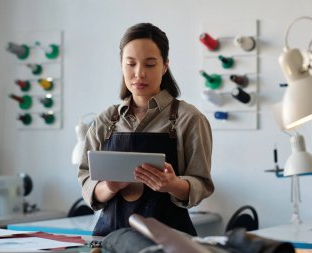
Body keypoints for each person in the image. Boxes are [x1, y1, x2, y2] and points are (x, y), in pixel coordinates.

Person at [78, 23, 214, 236]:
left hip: (170, 242)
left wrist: (173, 184)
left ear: (165, 65)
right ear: (121, 65)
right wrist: (110, 187)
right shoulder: (105, 121)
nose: (139, 73)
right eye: (130, 64)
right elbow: (86, 179)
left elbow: (202, 183)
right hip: (111, 239)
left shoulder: (190, 118)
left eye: (150, 64)